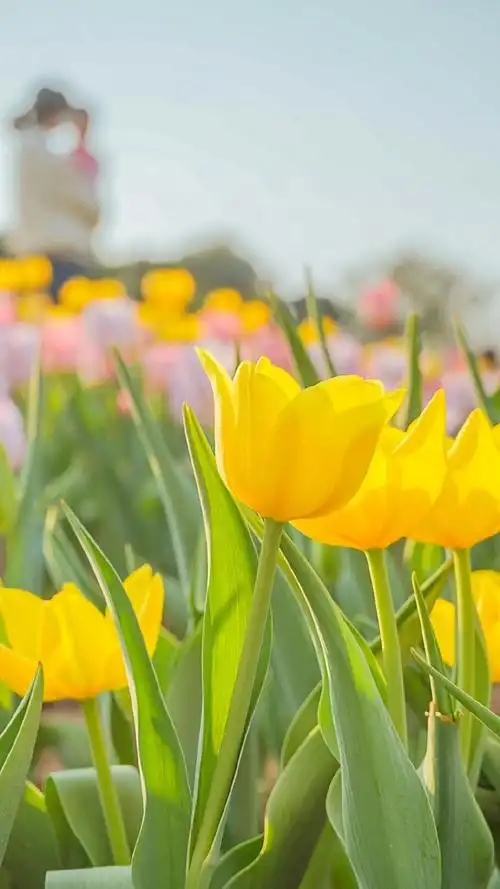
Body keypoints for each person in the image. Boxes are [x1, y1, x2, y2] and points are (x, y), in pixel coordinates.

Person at [8, 87, 100, 301]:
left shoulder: (29, 150)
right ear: (58, 115)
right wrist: (82, 142)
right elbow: (87, 204)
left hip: (34, 253)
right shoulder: (47, 159)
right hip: (59, 257)